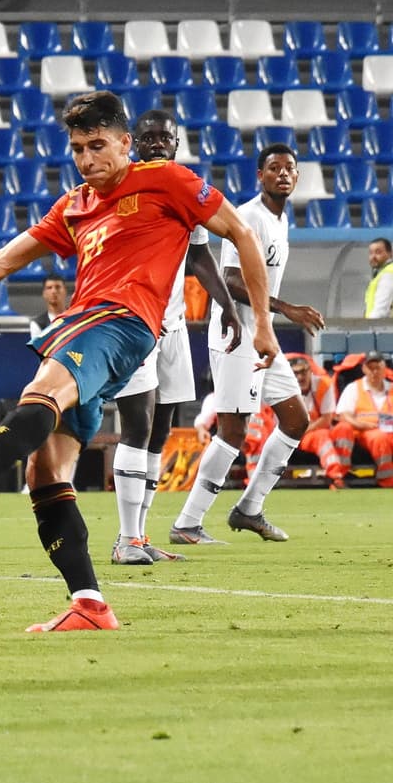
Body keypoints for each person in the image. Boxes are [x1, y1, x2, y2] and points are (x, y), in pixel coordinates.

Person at [0, 91, 278, 632]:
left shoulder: (167, 180)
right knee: (46, 471)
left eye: (97, 145)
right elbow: (0, 262)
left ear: (125, 143)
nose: (86, 158)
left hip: (121, 321)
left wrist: (263, 322)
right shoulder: (74, 205)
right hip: (88, 322)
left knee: (44, 388)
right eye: (78, 148)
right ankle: (90, 603)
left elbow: (240, 232)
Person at [169, 144, 325, 546]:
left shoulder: (280, 220)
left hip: (262, 335)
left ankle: (249, 509)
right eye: (274, 168)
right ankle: (187, 523)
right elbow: (232, 279)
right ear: (260, 175)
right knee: (233, 430)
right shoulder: (248, 216)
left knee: (296, 420)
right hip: (236, 334)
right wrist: (286, 307)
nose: (283, 174)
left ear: (297, 176)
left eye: (289, 168)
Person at [106, 109, 242, 566]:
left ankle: (138, 536)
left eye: (165, 137)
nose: (157, 143)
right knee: (137, 425)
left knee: (160, 431)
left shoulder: (186, 190)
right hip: (134, 323)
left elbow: (199, 256)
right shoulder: (119, 187)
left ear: (177, 144)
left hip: (175, 326)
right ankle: (126, 540)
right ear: (133, 142)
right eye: (149, 137)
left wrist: (226, 305)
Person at [243, 355, 342, 488]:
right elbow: (259, 412)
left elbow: (326, 419)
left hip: (309, 432)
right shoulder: (272, 386)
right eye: (295, 373)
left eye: (303, 372)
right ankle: (255, 482)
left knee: (322, 436)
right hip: (278, 432)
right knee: (257, 429)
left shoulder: (323, 385)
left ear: (310, 371)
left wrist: (299, 431)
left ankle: (335, 478)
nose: (300, 377)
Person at [330, 350, 393, 487]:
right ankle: (387, 480)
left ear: (384, 369)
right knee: (377, 437)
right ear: (364, 369)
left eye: (378, 368)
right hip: (361, 432)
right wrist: (360, 425)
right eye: (371, 368)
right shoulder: (354, 388)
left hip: (388, 431)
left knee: (382, 436)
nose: (374, 372)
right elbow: (344, 414)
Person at [28, 273, 68, 339]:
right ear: (44, 293)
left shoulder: (76, 319)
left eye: (58, 287)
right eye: (49, 288)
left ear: (65, 291)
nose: (54, 291)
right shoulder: (38, 324)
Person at [365, 237, 393, 319]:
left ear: (390, 254)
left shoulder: (388, 274)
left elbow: (381, 311)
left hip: (379, 325)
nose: (373, 256)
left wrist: (367, 325)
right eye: (371, 253)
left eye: (378, 252)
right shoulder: (382, 272)